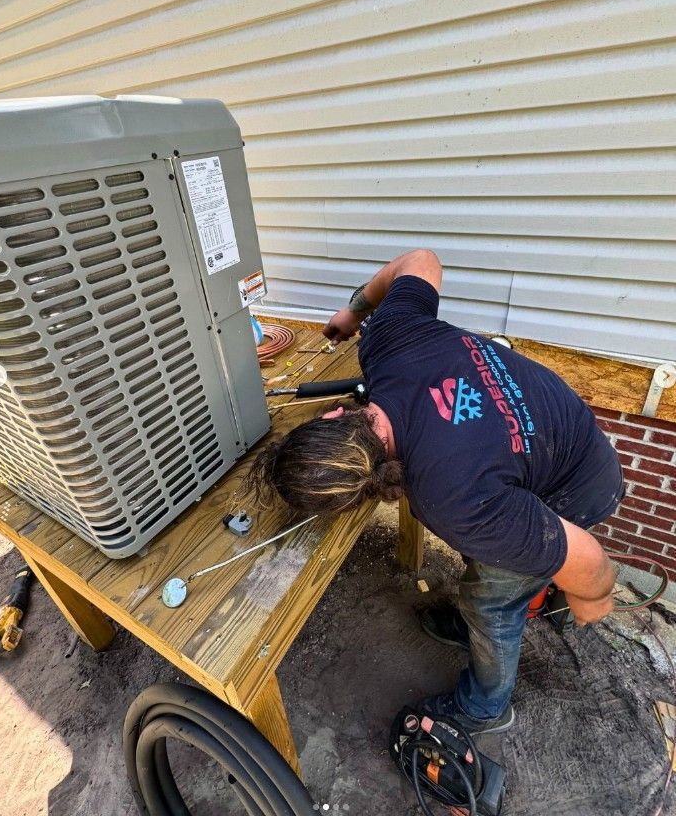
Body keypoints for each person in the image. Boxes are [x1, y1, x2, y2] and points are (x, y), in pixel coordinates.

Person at [246, 250, 624, 735]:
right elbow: (422, 261)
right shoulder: (389, 337)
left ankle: (485, 707)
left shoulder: (453, 498)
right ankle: (472, 622)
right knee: (489, 557)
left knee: (494, 603)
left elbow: (589, 561)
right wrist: (356, 310)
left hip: (577, 486)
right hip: (553, 441)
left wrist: (594, 595)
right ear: (336, 417)